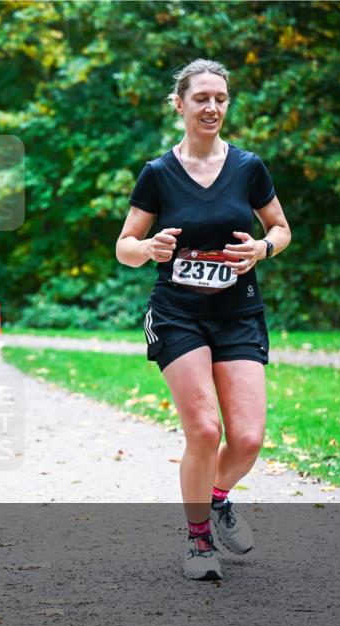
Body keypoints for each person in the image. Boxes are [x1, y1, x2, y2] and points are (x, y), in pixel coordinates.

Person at [115, 59, 291, 581]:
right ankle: (198, 542)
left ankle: (216, 498)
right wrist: (148, 248)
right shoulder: (158, 173)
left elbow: (281, 228)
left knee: (248, 438)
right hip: (178, 314)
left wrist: (262, 248)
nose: (212, 107)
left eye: (220, 98)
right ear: (180, 104)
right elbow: (123, 247)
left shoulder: (248, 167)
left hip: (238, 314)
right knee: (204, 429)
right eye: (201, 98)